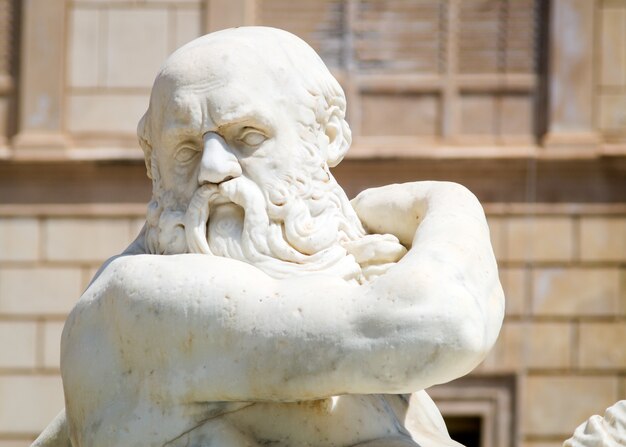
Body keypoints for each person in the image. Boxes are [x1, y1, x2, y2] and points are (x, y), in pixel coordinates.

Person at [33, 27, 504, 447]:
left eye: (247, 136)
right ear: (152, 165)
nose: (214, 170)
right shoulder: (134, 303)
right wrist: (449, 204)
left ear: (328, 136)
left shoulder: (338, 304)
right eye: (186, 149)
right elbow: (448, 324)